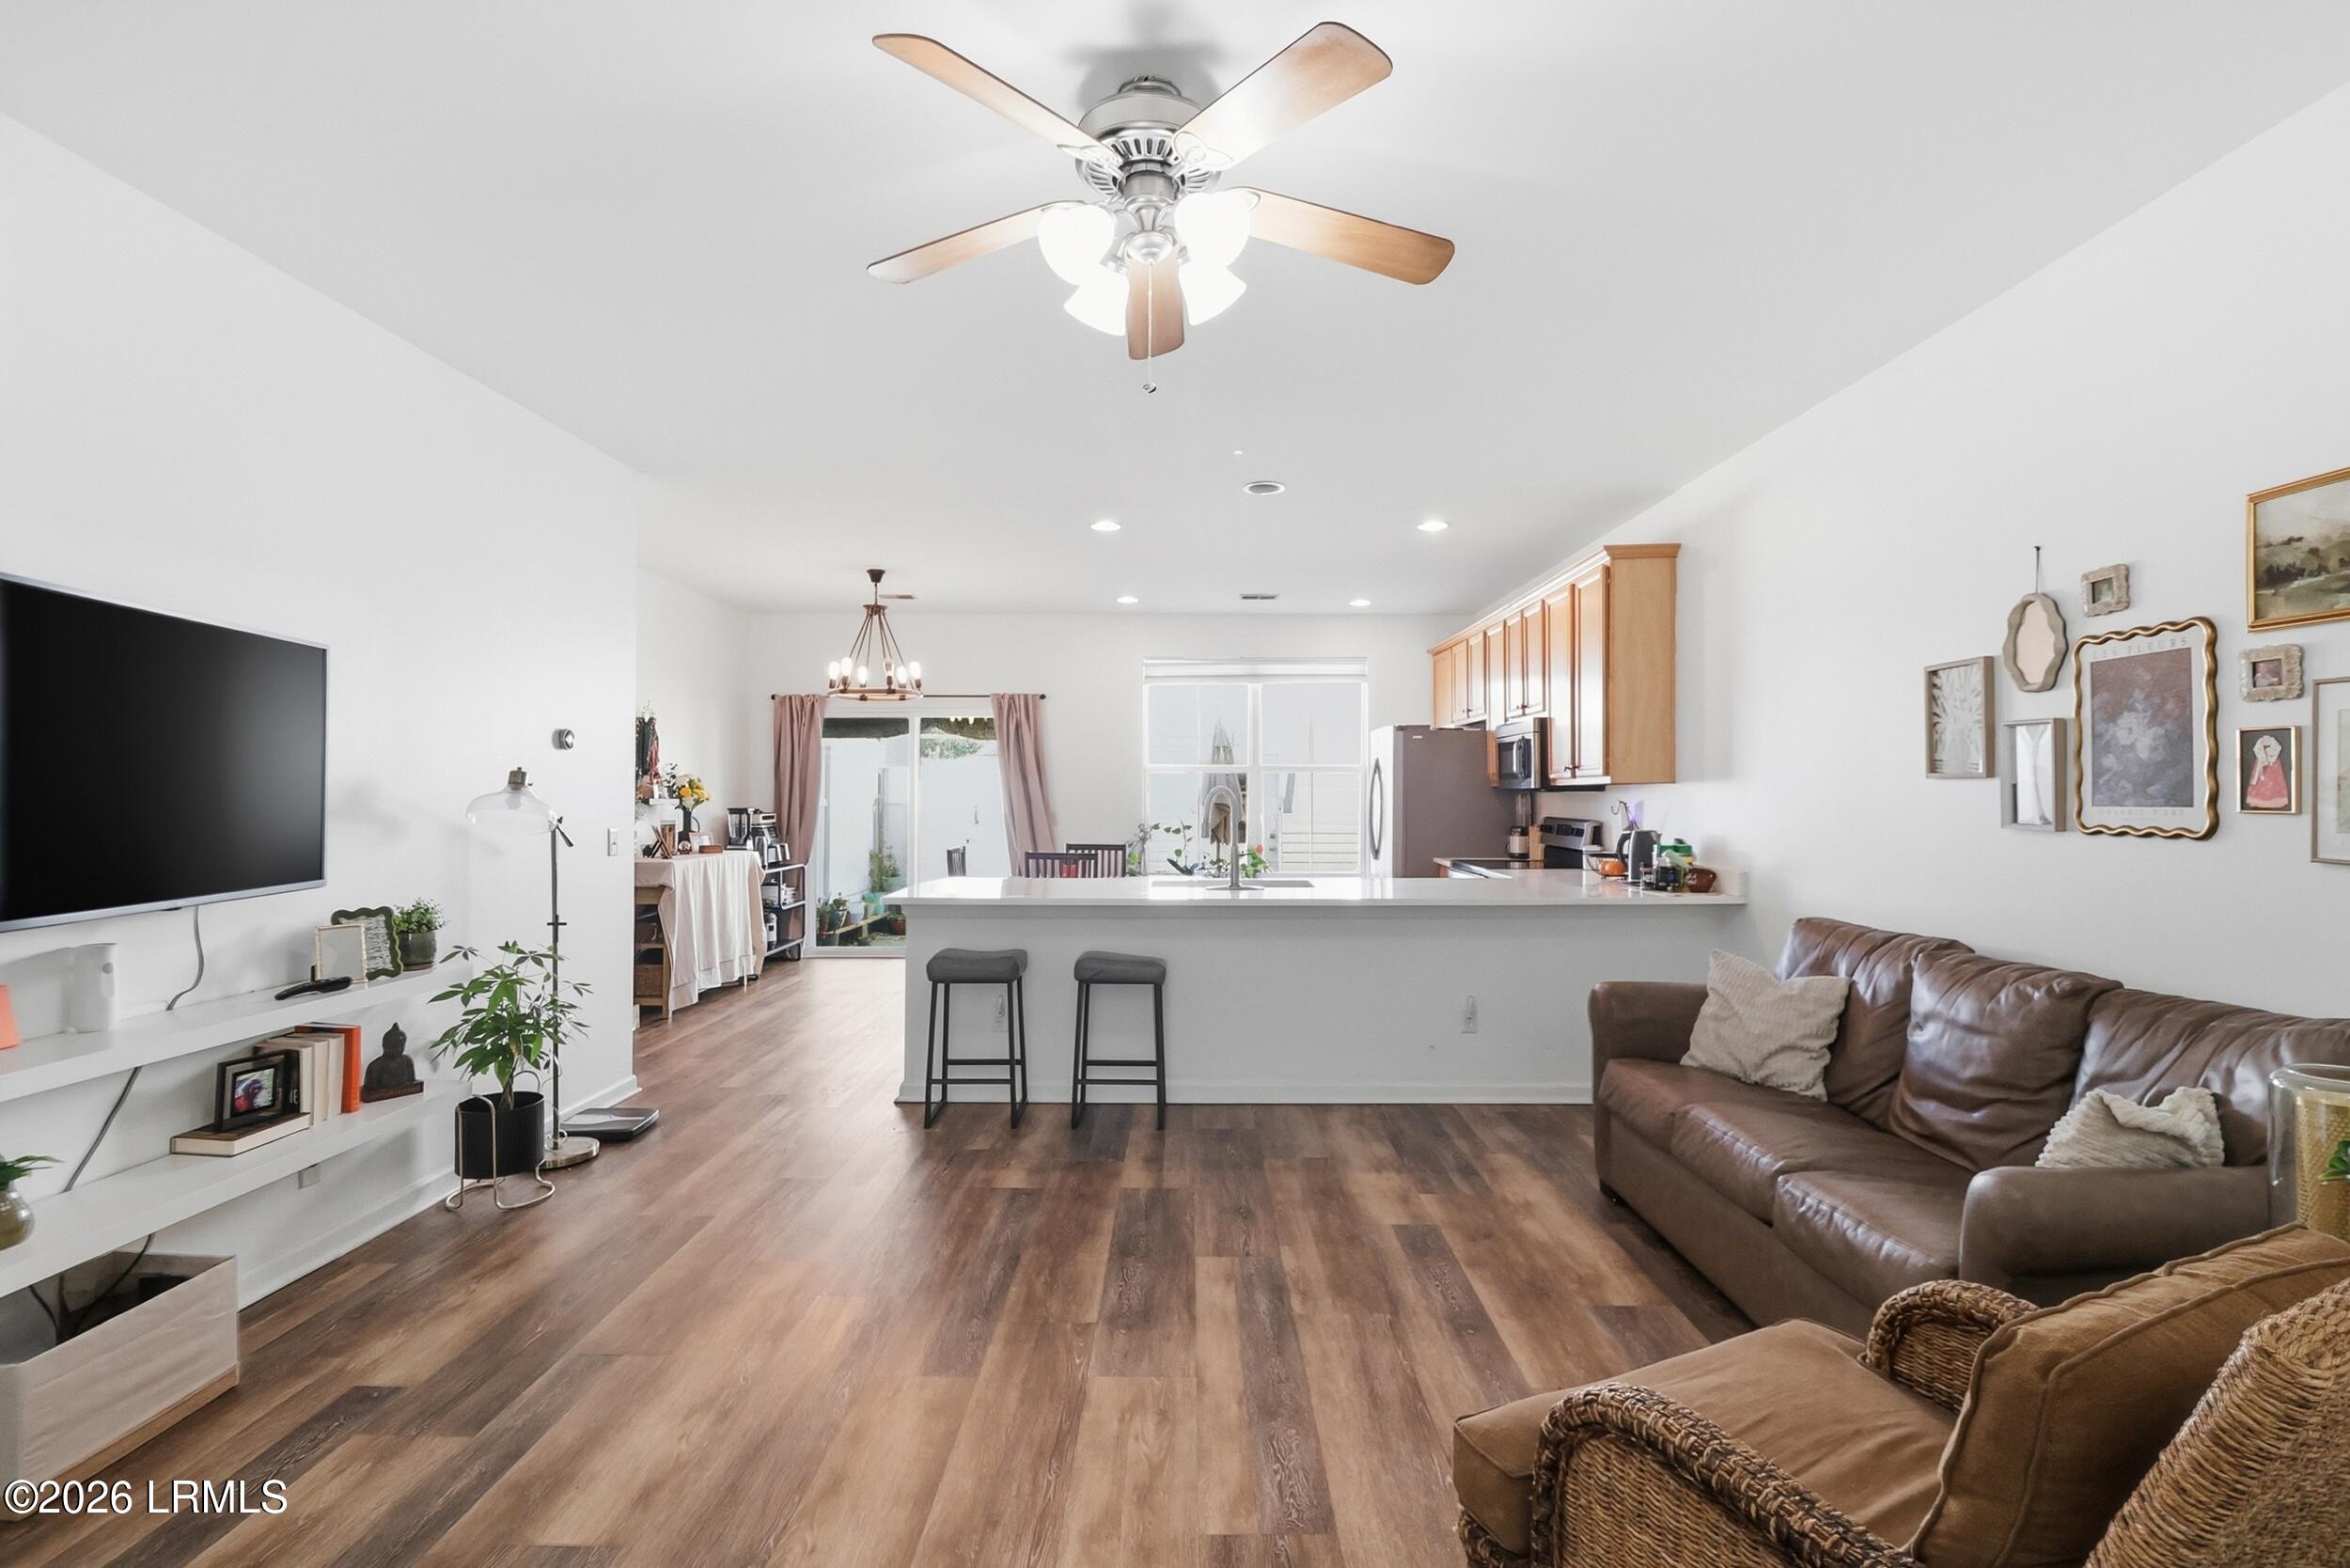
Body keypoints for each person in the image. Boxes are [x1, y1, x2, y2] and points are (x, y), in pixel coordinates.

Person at [2246, 732, 2292, 810]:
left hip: (2273, 763)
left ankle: (2275, 800)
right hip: (2261, 763)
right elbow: (2257, 749)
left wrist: (2270, 757)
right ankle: (2258, 800)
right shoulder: (2259, 743)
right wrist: (2263, 758)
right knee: (2259, 780)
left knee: (2274, 781)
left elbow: (2277, 748)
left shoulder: (2274, 743)